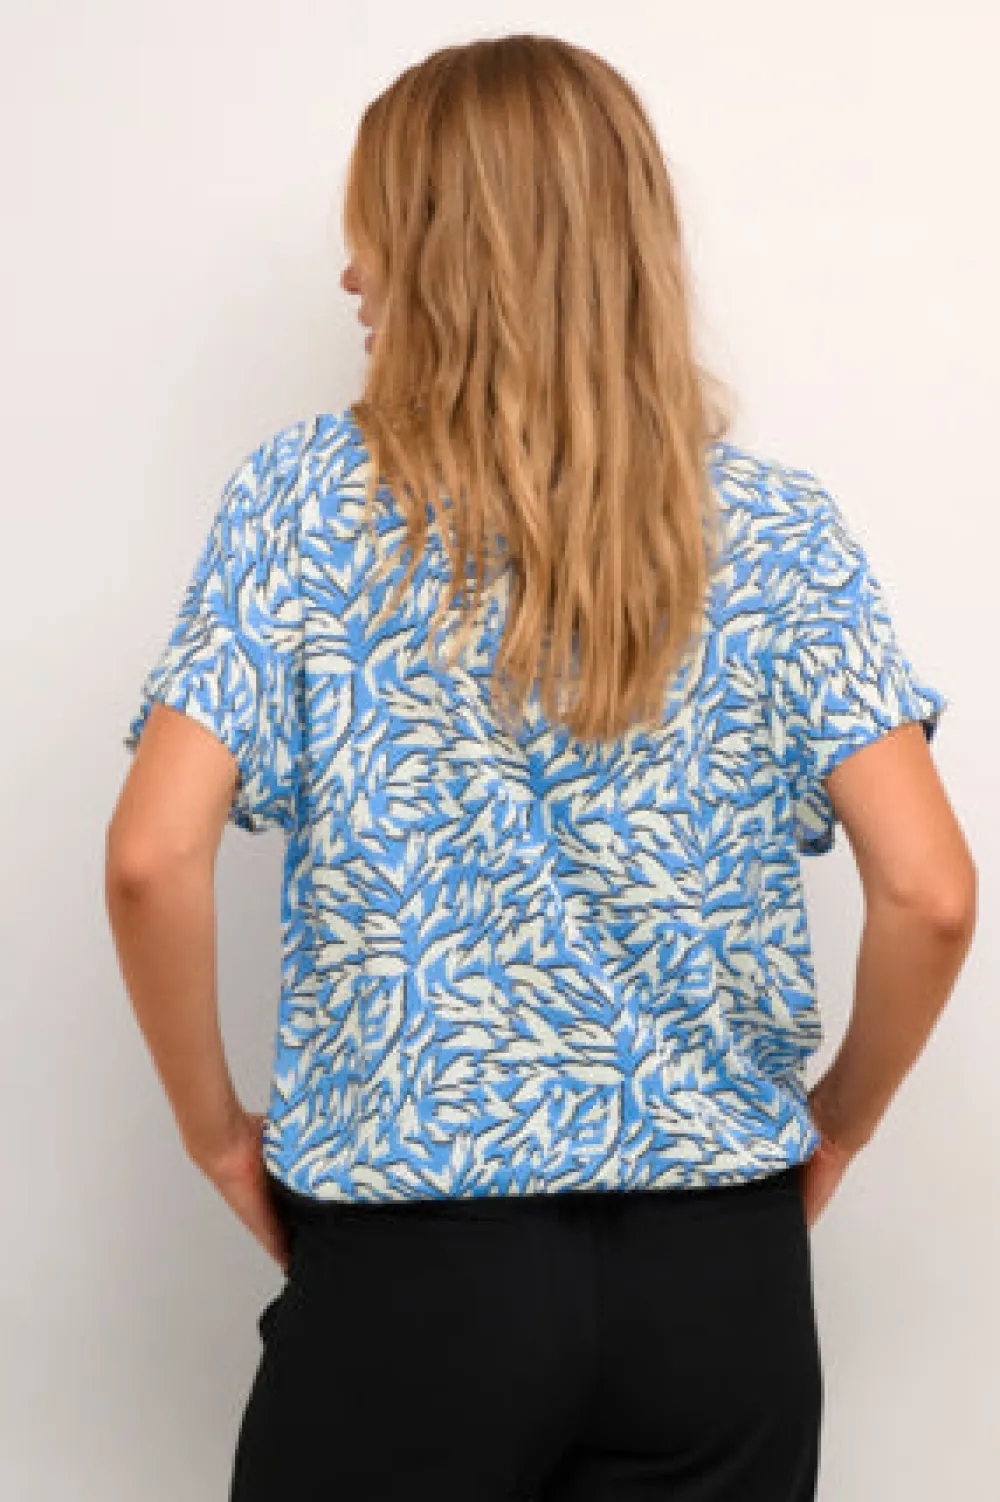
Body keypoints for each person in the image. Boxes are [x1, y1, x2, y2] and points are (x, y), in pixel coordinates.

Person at [104, 32, 977, 1502]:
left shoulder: (302, 504)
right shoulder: (778, 532)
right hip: (719, 1282)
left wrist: (217, 1138)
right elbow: (933, 894)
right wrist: (835, 1129)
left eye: (374, 228)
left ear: (446, 251)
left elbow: (149, 856)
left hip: (416, 1271)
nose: (349, 274)